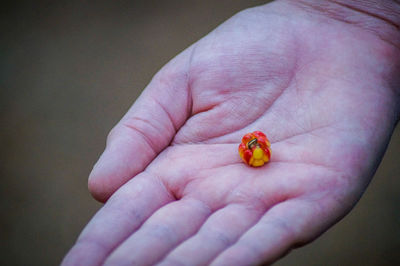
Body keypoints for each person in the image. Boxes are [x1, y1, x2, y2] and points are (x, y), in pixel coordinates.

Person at [62, 0, 400, 265]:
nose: (255, 148)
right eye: (253, 147)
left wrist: (374, 16)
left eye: (256, 147)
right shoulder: (251, 148)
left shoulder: (258, 149)